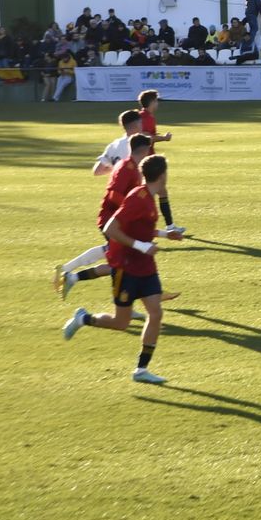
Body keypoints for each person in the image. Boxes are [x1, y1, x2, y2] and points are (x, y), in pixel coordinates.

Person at [62, 153, 183, 384]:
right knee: (121, 323)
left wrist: (166, 234)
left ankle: (141, 370)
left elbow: (139, 228)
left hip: (146, 266)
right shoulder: (138, 197)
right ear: (162, 175)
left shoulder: (149, 196)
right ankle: (83, 319)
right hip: (126, 268)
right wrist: (141, 246)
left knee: (156, 313)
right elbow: (110, 228)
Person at [56, 132, 185, 301]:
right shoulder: (127, 169)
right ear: (146, 150)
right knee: (121, 264)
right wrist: (130, 209)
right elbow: (114, 195)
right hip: (112, 220)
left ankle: (70, 274)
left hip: (118, 219)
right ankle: (140, 298)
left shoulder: (133, 168)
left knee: (114, 258)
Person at [92, 108, 144, 176]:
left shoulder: (113, 145)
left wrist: (117, 168)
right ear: (136, 124)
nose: (142, 125)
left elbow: (97, 171)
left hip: (117, 184)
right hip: (134, 185)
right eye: (140, 122)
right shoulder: (141, 145)